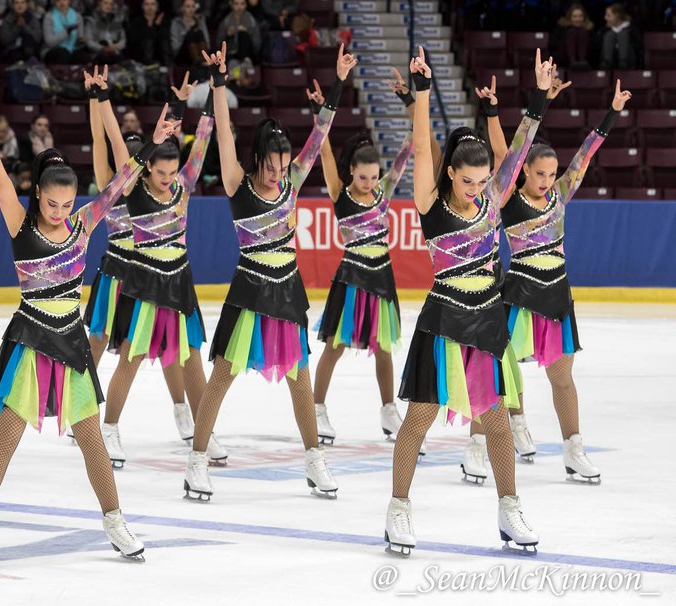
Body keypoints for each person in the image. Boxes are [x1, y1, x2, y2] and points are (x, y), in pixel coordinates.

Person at [0, 96, 179, 567]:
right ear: (37, 194)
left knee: (91, 437)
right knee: (9, 435)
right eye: (51, 202)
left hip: (72, 340)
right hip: (32, 338)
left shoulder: (83, 224)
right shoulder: (20, 224)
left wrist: (150, 147)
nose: (59, 211)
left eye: (66, 203)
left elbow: (118, 187)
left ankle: (115, 520)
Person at [385, 48, 554, 557]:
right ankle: (398, 509)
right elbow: (420, 148)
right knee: (419, 418)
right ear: (451, 174)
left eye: (482, 182)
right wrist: (421, 92)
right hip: (443, 321)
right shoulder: (430, 205)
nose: (475, 189)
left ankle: (509, 507)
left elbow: (519, 153)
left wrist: (539, 98)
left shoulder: (493, 201)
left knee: (498, 419)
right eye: (467, 181)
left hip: (485, 321)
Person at [180, 43, 353, 502]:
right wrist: (219, 83)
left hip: (287, 292)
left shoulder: (293, 181)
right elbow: (223, 131)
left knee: (300, 377)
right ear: (258, 160)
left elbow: (320, 134)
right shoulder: (238, 182)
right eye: (272, 166)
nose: (279, 173)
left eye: (283, 166)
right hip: (250, 292)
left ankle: (314, 460)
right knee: (222, 377)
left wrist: (336, 84)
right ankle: (197, 460)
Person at [471, 76, 631, 487]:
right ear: (524, 169)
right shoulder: (506, 200)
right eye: (540, 172)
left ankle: (573, 448)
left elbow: (585, 155)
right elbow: (506, 152)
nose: (547, 180)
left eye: (551, 173)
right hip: (518, 295)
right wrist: (495, 112)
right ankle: (478, 445)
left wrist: (612, 112)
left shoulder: (561, 195)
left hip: (557, 295)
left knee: (562, 378)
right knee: (496, 372)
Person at [94, 72, 217, 467]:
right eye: (160, 173)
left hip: (180, 284)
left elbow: (200, 143)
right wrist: (102, 97)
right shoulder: (134, 191)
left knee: (191, 358)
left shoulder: (184, 184)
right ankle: (109, 428)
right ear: (147, 171)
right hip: (144, 283)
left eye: (171, 172)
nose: (167, 180)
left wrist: (196, 101)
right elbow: (115, 142)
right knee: (130, 357)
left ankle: (202, 431)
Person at [311, 69, 428, 447]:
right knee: (336, 345)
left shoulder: (384, 191)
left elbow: (412, 145)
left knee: (384, 347)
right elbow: (323, 149)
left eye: (375, 176)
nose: (371, 182)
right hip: (351, 278)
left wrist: (409, 101)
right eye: (364, 177)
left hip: (381, 278)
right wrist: (323, 108)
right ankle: (316, 408)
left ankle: (387, 409)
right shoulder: (339, 193)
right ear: (351, 174)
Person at [42, 0, 92, 64]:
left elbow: (79, 38)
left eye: (64, 0)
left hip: (72, 49)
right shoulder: (49, 16)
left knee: (84, 56)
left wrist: (81, 41)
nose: (62, 3)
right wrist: (66, 32)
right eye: (58, 1)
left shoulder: (78, 17)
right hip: (52, 50)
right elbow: (49, 42)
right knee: (63, 53)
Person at [217, 0, 261, 64]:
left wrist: (246, 32)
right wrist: (227, 35)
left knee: (242, 34)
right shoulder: (226, 21)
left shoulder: (251, 20)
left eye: (242, 4)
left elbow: (257, 43)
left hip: (249, 54)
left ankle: (245, 61)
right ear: (231, 5)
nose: (239, 7)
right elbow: (218, 44)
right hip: (230, 54)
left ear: (246, 5)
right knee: (232, 62)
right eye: (236, 4)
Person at [126, 0, 169, 65]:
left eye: (153, 4)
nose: (150, 7)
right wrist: (153, 27)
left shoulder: (163, 22)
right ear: (142, 6)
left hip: (159, 58)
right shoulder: (136, 22)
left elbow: (164, 43)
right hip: (140, 58)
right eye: (147, 4)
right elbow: (134, 42)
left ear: (157, 7)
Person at [598, 3, 640, 70]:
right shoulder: (604, 30)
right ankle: (607, 62)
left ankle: (623, 61)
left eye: (608, 16)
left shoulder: (632, 29)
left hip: (628, 62)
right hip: (610, 64)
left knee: (622, 35)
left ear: (617, 15)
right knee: (610, 35)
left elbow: (638, 47)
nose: (605, 18)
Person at [169, 0, 210, 68]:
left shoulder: (200, 21)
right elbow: (175, 46)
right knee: (191, 34)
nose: (191, 9)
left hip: (200, 53)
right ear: (182, 8)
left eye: (193, 6)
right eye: (188, 6)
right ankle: (199, 63)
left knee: (199, 32)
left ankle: (202, 60)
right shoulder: (176, 22)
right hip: (181, 54)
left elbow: (206, 40)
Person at [555, 3, 594, 69]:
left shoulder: (589, 30)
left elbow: (594, 47)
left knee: (582, 32)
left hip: (586, 63)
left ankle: (581, 61)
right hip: (565, 60)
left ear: (584, 17)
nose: (578, 19)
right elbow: (556, 44)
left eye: (580, 16)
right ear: (570, 17)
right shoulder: (562, 29)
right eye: (575, 16)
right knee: (572, 31)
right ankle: (573, 61)